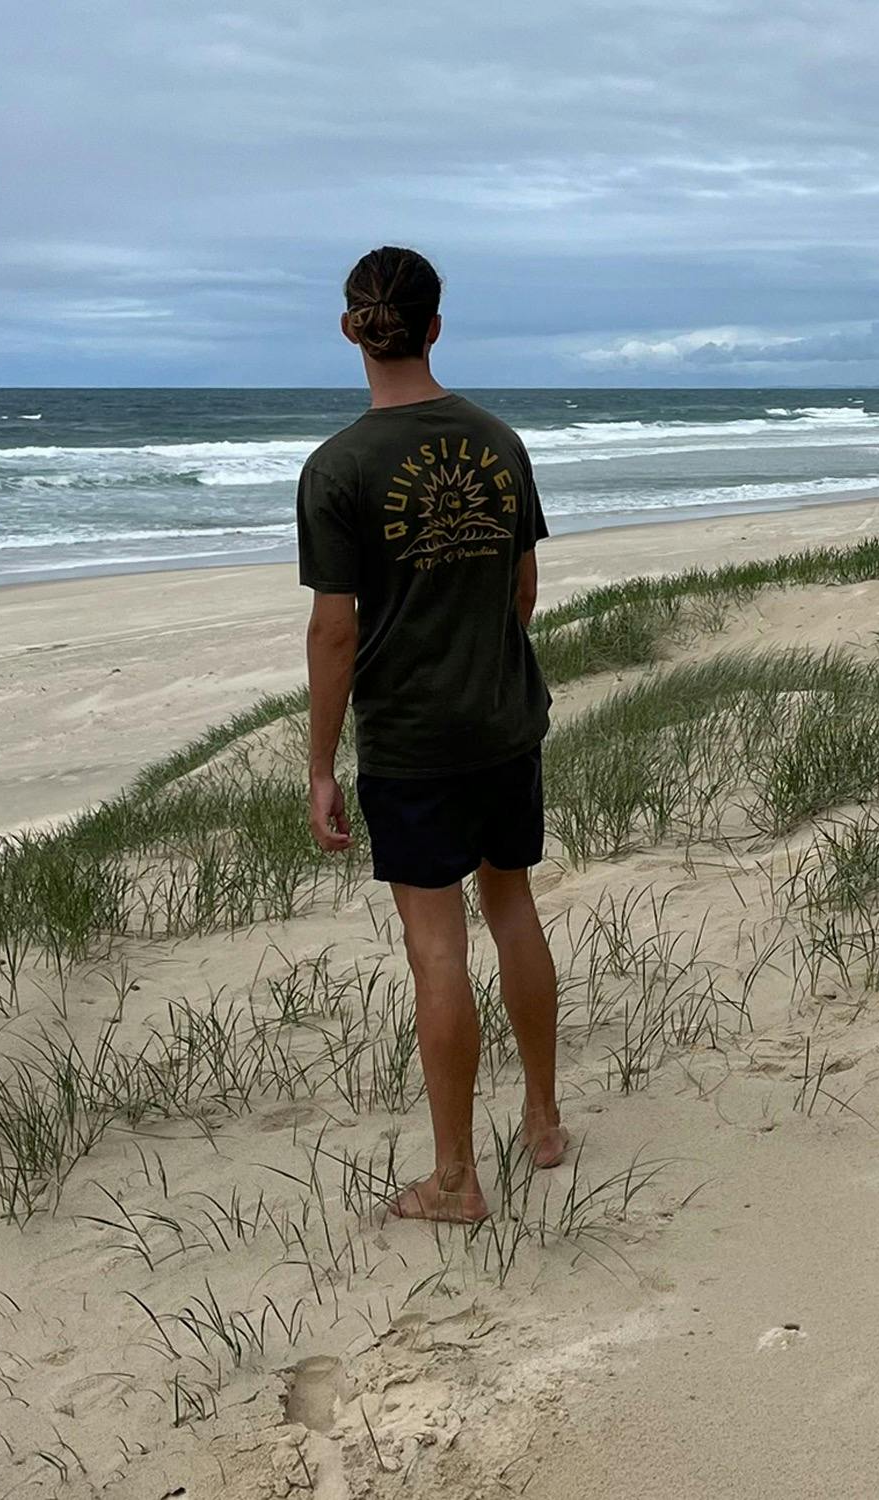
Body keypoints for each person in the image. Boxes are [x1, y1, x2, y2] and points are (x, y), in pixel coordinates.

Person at [296, 245, 565, 1223]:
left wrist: (321, 765)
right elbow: (523, 590)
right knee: (515, 912)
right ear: (436, 327)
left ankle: (456, 1182)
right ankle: (542, 1120)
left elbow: (335, 630)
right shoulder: (497, 440)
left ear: (350, 330)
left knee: (437, 952)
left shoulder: (337, 468)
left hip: (410, 742)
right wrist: (483, 667)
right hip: (504, 724)